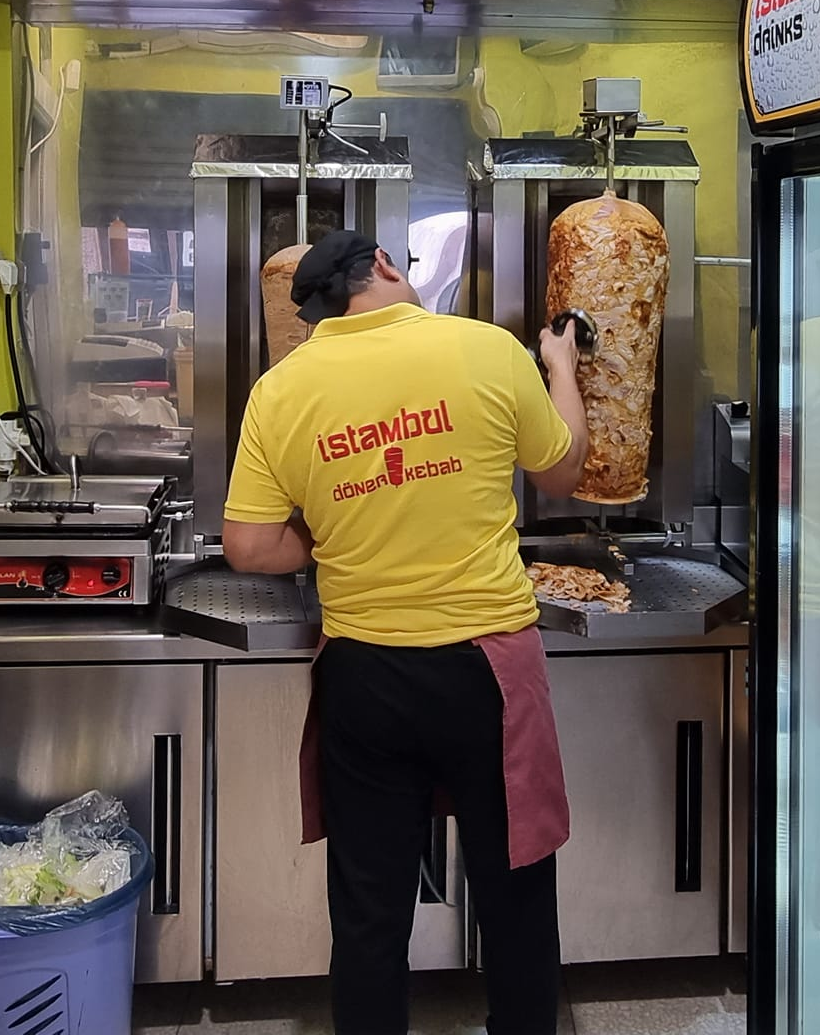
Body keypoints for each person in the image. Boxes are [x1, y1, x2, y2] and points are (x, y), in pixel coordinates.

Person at [222, 230, 589, 1035]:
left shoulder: (281, 390)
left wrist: (325, 537)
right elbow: (563, 473)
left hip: (364, 675)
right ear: (386, 265)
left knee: (369, 909)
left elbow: (247, 546)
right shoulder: (486, 349)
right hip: (489, 671)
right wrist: (560, 367)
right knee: (516, 894)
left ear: (318, 313)